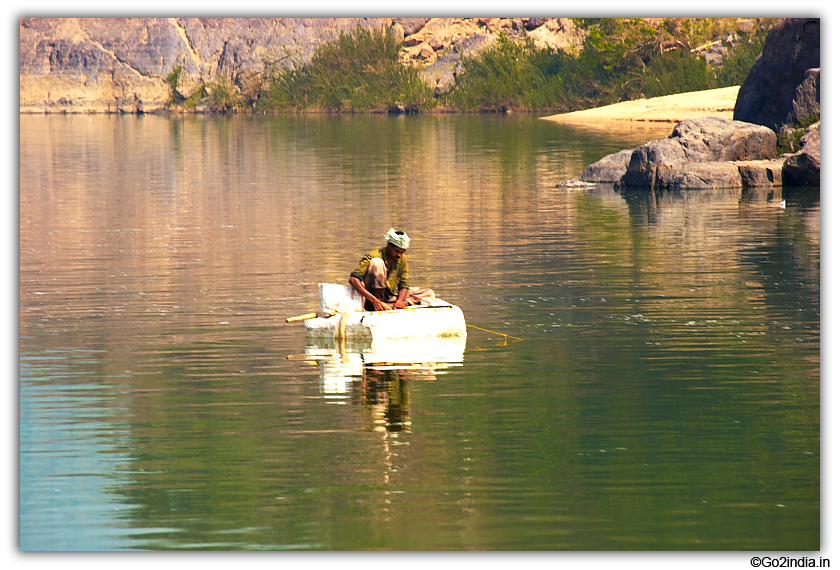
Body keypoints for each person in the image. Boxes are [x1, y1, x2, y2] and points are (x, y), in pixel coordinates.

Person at [349, 228, 435, 311]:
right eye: (397, 251)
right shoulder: (375, 256)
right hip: (372, 299)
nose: (399, 255)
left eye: (402, 252)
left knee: (428, 293)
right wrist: (375, 300)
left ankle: (391, 305)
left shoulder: (402, 259)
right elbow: (353, 279)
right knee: (377, 263)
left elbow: (403, 285)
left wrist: (400, 301)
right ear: (389, 245)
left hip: (390, 296)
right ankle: (378, 305)